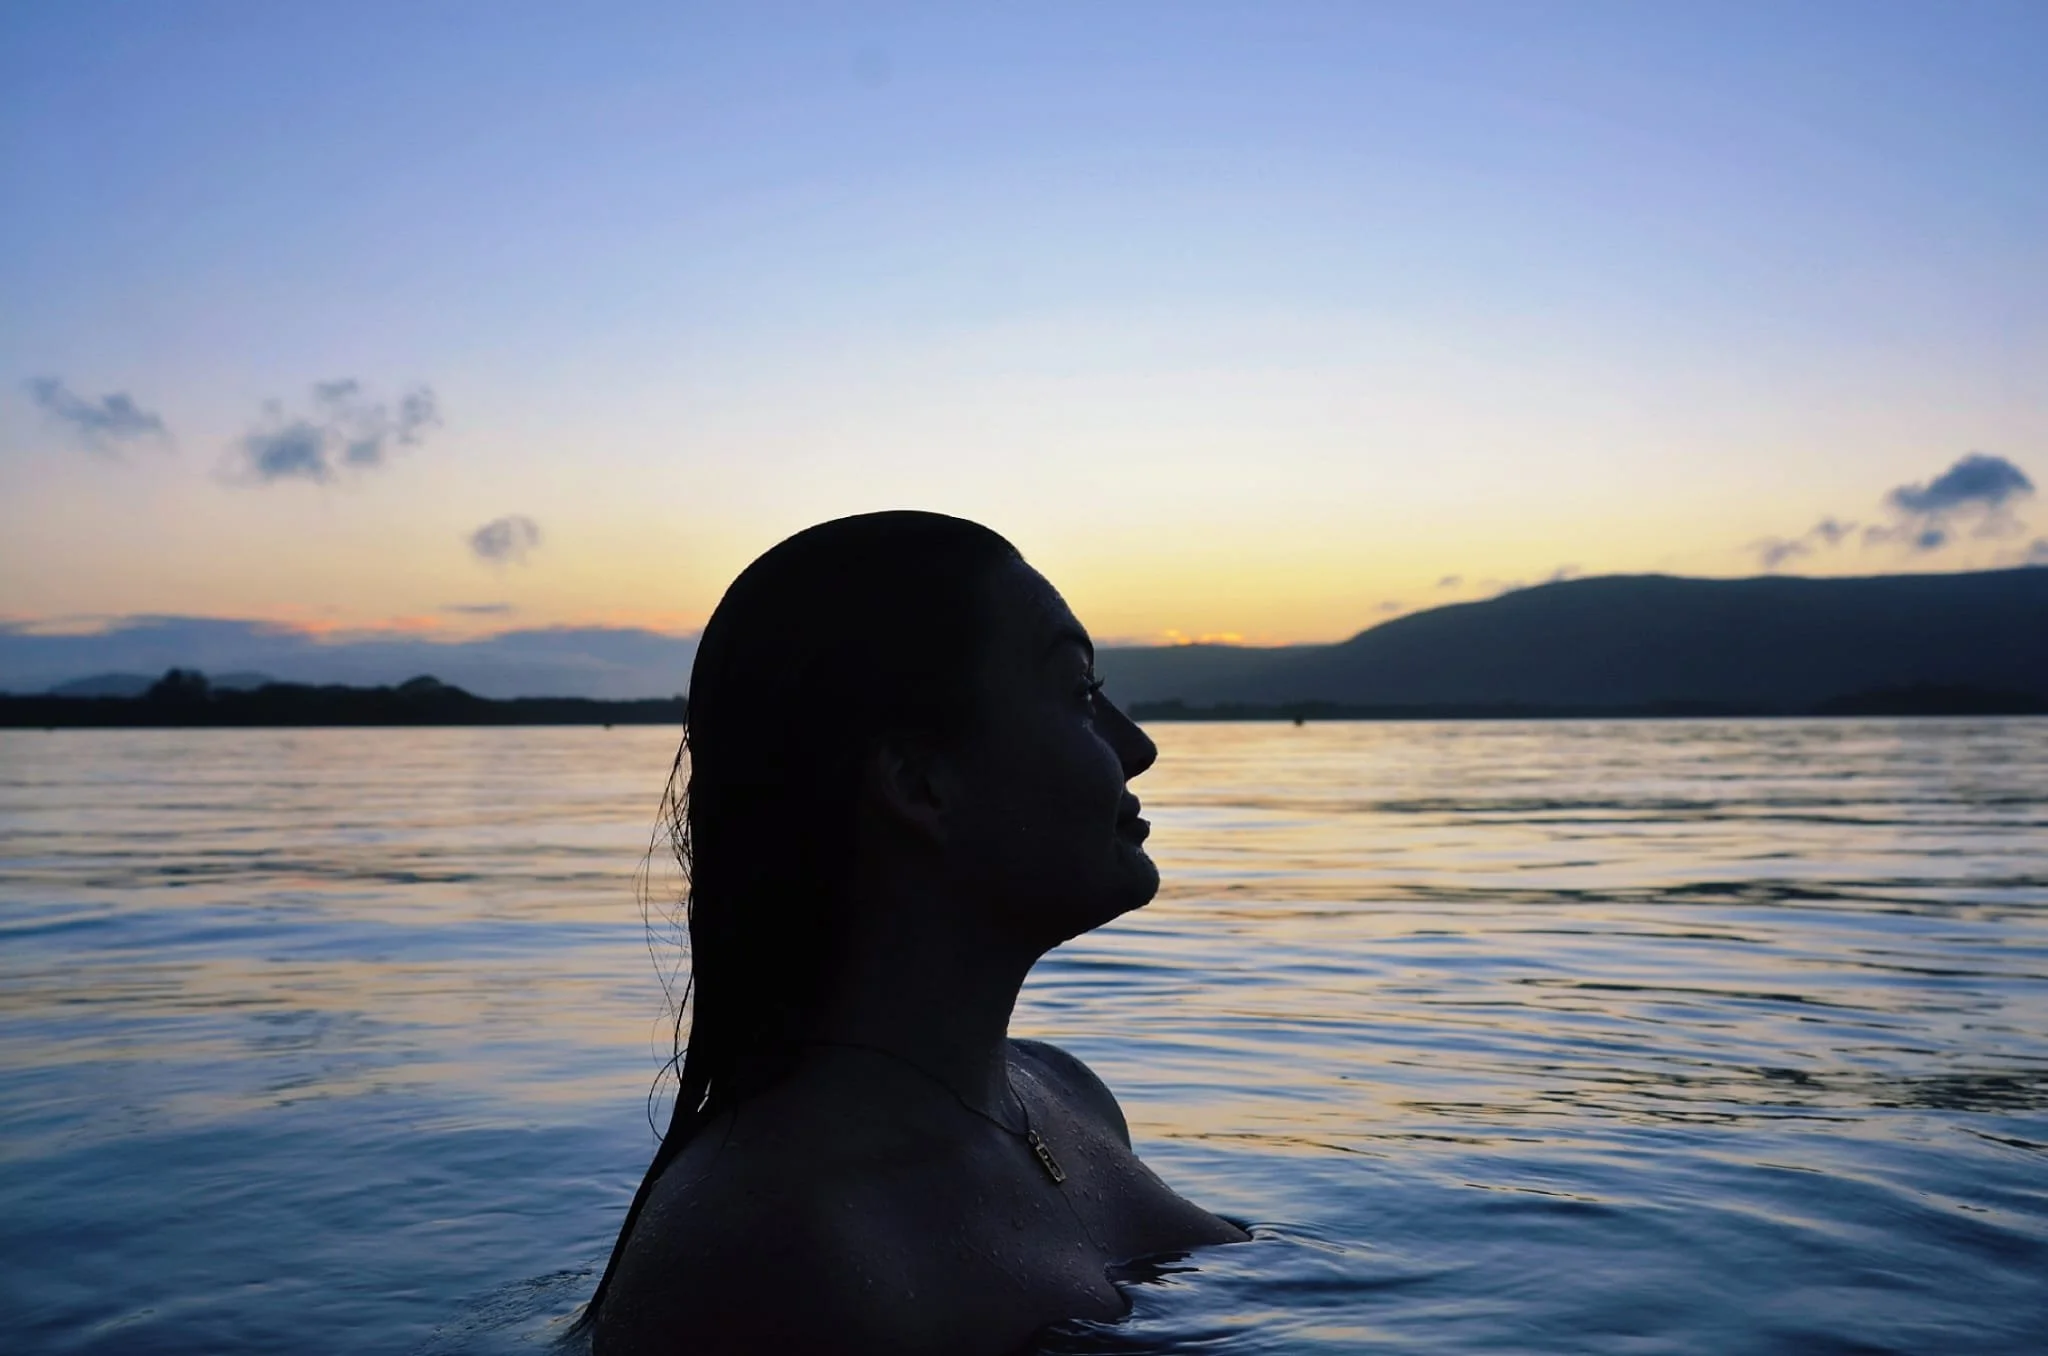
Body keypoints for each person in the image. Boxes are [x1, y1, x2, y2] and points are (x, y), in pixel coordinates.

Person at [587, 511, 1247, 1355]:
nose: (1137, 746)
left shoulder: (1063, 1094)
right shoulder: (768, 1255)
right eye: (1080, 692)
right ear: (918, 784)